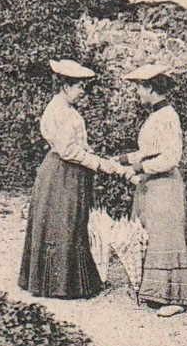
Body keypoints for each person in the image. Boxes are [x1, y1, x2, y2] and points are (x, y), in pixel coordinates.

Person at [19, 59, 115, 299]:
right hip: (61, 172)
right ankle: (58, 284)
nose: (83, 93)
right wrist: (99, 163)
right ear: (65, 86)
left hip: (69, 171)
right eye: (80, 87)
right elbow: (67, 150)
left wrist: (91, 154)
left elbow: (76, 144)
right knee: (62, 222)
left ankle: (70, 280)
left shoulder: (67, 109)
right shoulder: (59, 111)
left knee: (71, 222)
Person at [117, 64, 187, 316]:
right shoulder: (156, 116)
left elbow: (171, 158)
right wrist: (124, 160)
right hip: (153, 187)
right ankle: (155, 292)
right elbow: (150, 150)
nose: (137, 93)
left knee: (166, 239)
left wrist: (141, 167)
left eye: (139, 88)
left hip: (166, 189)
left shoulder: (168, 117)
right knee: (152, 237)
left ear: (151, 88)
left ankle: (174, 297)